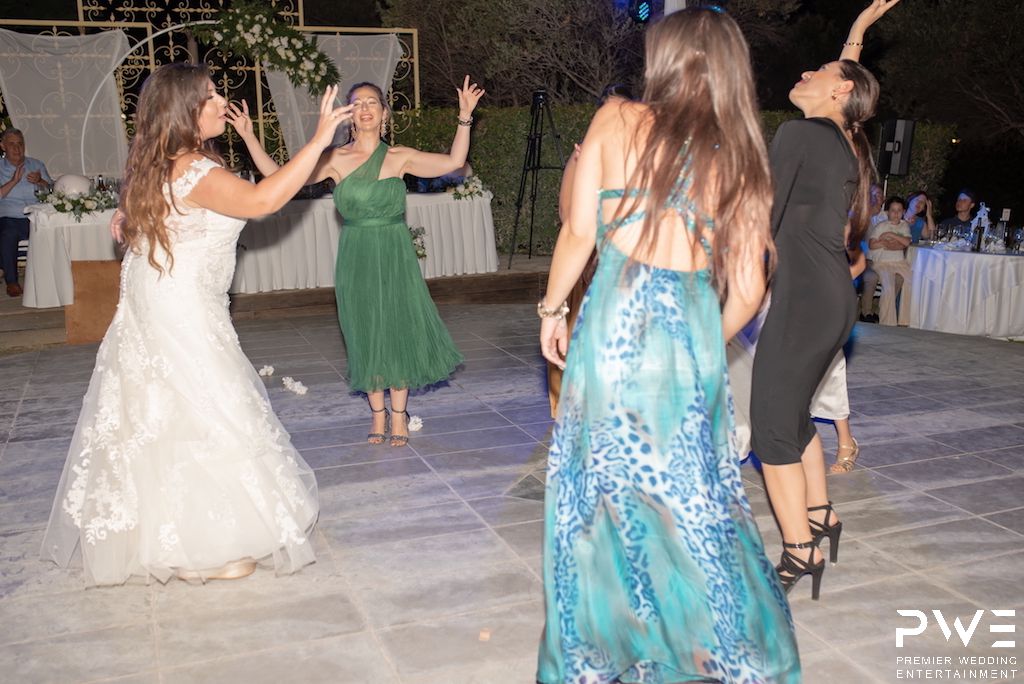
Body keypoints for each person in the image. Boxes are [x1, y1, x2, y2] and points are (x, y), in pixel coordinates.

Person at [537, 8, 799, 683]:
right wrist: (699, 340)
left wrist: (552, 307)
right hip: (686, 344)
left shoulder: (615, 118)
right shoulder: (741, 155)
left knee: (599, 497)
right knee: (693, 499)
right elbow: (750, 290)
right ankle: (713, 649)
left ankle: (602, 650)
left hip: (612, 333)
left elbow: (578, 231)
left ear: (667, 59)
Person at [40, 63, 353, 586]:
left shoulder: (162, 162)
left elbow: (153, 212)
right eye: (209, 96)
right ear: (184, 110)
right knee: (201, 407)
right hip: (179, 304)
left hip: (165, 295)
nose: (220, 102)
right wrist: (320, 139)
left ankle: (179, 534)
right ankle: (196, 547)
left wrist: (127, 217)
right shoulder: (194, 171)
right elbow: (264, 200)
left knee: (170, 407)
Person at [749, 0, 899, 599]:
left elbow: (760, 222)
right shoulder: (844, 141)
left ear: (838, 92)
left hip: (805, 300)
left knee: (770, 430)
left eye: (820, 71)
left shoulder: (800, 133)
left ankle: (799, 551)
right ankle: (820, 516)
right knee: (793, 417)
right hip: (832, 298)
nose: (806, 73)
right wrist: (856, 33)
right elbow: (849, 85)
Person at [293, 78, 482, 446]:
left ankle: (398, 415)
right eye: (357, 103)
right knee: (365, 331)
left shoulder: (399, 156)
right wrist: (249, 136)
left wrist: (464, 118)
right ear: (349, 115)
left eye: (372, 102)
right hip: (356, 255)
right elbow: (280, 177)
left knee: (396, 330)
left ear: (384, 113)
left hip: (394, 253)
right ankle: (376, 413)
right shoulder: (334, 160)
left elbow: (455, 162)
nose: (365, 108)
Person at [0, 128, 52, 297]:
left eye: (20, 144)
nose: (17, 148)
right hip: (10, 217)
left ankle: (52, 278)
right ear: (3, 146)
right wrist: (13, 181)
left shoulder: (36, 165)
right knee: (8, 234)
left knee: (55, 229)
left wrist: (41, 181)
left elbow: (53, 191)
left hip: (36, 215)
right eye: (12, 144)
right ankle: (12, 282)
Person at [868, 196, 912, 325]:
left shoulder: (904, 226)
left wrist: (890, 235)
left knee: (911, 281)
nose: (896, 213)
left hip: (899, 262)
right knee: (889, 286)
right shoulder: (881, 226)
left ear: (903, 212)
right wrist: (888, 244)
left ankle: (905, 319)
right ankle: (887, 322)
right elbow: (872, 244)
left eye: (899, 210)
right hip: (882, 262)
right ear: (888, 212)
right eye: (893, 210)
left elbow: (906, 242)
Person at [858, 182, 887, 322]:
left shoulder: (888, 216)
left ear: (884, 199)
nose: (875, 198)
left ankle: (879, 311)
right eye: (872, 195)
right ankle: (866, 313)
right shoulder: (860, 215)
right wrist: (869, 213)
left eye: (879, 195)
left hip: (884, 259)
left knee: (899, 277)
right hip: (865, 259)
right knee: (872, 276)